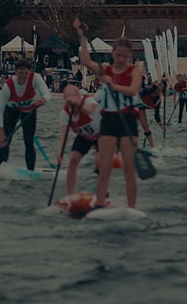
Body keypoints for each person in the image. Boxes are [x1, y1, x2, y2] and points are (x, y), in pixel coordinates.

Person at [76, 27, 143, 210]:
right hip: (109, 122)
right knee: (104, 169)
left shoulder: (134, 72)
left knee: (129, 169)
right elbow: (85, 60)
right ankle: (99, 204)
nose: (121, 59)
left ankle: (131, 208)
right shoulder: (105, 69)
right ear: (113, 54)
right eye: (118, 55)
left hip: (128, 121)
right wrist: (83, 37)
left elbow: (133, 90)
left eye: (125, 56)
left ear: (129, 56)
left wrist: (113, 84)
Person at [0, 60, 49, 170]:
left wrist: (43, 100)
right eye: (20, 73)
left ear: (30, 72)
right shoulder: (8, 85)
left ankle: (30, 171)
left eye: (26, 73)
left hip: (29, 112)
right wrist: (1, 133)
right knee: (5, 141)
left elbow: (47, 93)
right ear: (15, 72)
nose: (23, 76)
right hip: (11, 111)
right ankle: (0, 169)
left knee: (28, 141)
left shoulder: (36, 78)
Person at [58, 83, 102, 197]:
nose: (71, 104)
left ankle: (102, 192)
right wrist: (60, 153)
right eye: (69, 101)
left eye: (73, 100)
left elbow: (89, 110)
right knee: (73, 160)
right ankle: (70, 195)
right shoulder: (65, 113)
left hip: (102, 133)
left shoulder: (88, 100)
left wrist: (79, 106)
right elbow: (64, 134)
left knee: (99, 162)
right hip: (85, 136)